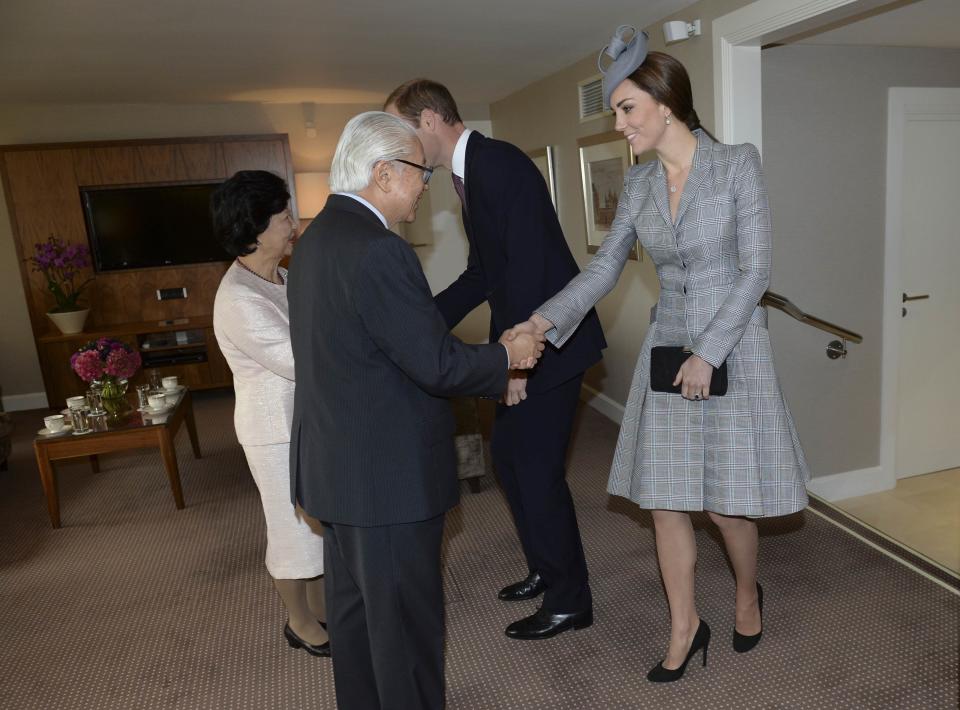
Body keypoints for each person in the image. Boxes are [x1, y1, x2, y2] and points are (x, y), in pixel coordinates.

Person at [509, 26, 810, 682]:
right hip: (668, 348)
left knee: (726, 506)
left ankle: (747, 592)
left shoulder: (736, 165)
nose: (620, 124)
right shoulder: (641, 187)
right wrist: (541, 318)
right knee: (665, 501)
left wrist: (709, 351)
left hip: (730, 346)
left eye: (626, 110)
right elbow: (603, 267)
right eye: (616, 112)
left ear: (665, 103)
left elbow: (755, 271)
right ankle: (684, 625)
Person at [287, 111, 545, 710]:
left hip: (339, 472)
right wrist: (505, 355)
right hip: (386, 483)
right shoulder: (379, 250)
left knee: (356, 630)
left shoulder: (318, 239)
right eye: (419, 172)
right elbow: (434, 363)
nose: (426, 184)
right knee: (406, 636)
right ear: (382, 173)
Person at [385, 80, 607, 641]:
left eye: (404, 129)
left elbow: (531, 275)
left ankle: (569, 600)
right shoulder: (469, 175)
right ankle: (545, 567)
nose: (400, 144)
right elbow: (485, 275)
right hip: (522, 343)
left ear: (431, 119)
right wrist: (416, 322)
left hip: (550, 345)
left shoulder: (499, 165)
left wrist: (513, 366)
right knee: (508, 460)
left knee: (536, 472)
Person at [211, 170, 330, 657]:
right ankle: (300, 622)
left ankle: (322, 607)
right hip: (273, 431)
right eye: (283, 215)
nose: (294, 222)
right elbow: (298, 360)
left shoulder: (280, 276)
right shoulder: (237, 297)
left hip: (304, 420)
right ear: (256, 226)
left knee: (317, 521)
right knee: (291, 529)